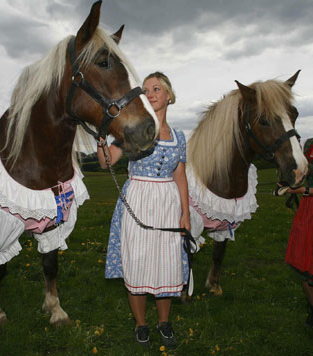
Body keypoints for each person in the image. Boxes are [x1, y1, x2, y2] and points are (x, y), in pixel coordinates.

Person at [98, 72, 190, 347]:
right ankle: (141, 324)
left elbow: (180, 176)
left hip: (167, 202)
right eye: (146, 89)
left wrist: (185, 214)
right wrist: (103, 142)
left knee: (167, 264)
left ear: (169, 96)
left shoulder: (179, 136)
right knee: (137, 263)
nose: (150, 93)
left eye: (157, 88)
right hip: (138, 198)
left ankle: (164, 322)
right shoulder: (132, 127)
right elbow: (107, 162)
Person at [283, 138, 313, 328]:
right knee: (302, 266)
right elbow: (303, 172)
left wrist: (307, 190)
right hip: (307, 212)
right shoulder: (309, 144)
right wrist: (291, 182)